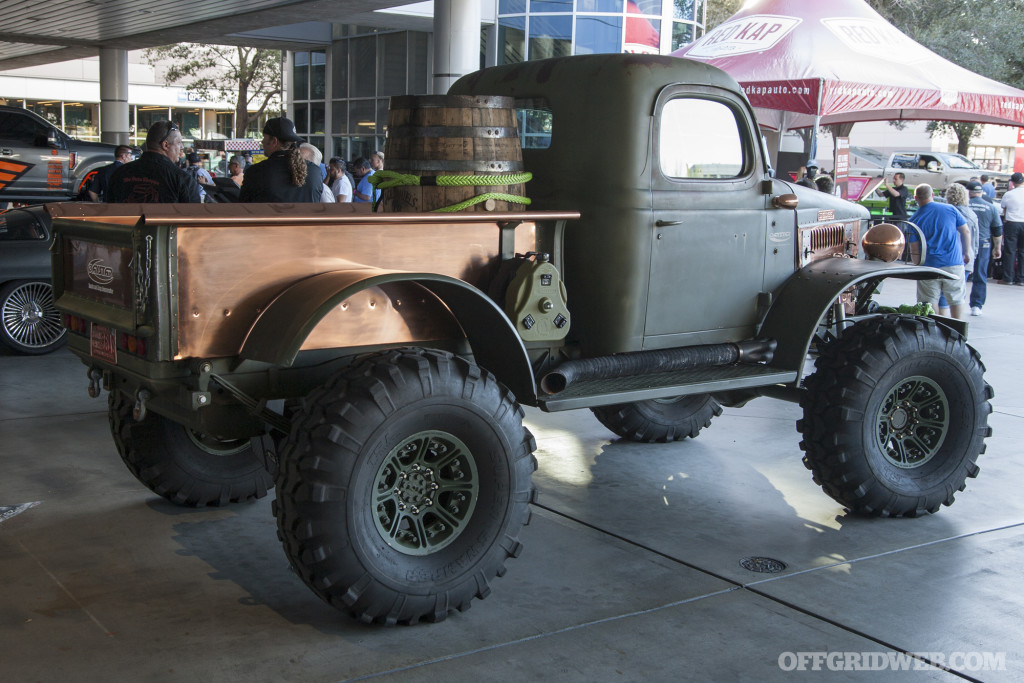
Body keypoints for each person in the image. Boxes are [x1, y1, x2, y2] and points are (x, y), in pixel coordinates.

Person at [907, 184, 972, 320]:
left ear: (915, 198)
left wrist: (917, 265)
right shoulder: (950, 209)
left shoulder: (913, 220)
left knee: (929, 301)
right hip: (953, 262)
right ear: (932, 195)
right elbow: (965, 231)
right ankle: (958, 329)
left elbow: (914, 249)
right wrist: (966, 252)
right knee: (956, 298)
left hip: (928, 265)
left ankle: (935, 330)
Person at [106, 121, 202, 203]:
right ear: (165, 145)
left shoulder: (119, 174)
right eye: (179, 143)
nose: (181, 147)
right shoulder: (182, 179)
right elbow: (194, 218)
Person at [239, 117, 323, 203]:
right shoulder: (315, 172)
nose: (262, 141)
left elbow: (243, 209)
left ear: (274, 141)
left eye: (264, 137)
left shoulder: (256, 172)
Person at [966, 180, 1003, 315]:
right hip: (983, 243)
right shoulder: (991, 207)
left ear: (968, 192)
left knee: (960, 272)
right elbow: (997, 230)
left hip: (965, 242)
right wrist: (997, 248)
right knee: (980, 273)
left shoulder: (962, 206)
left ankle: (955, 300)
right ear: (981, 192)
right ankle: (977, 305)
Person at [1000, 172, 1024, 285]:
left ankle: (1008, 278)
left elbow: (1003, 209)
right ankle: (1021, 279)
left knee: (1010, 251)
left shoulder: (1009, 194)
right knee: (1023, 252)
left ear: (1013, 182)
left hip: (1012, 223)